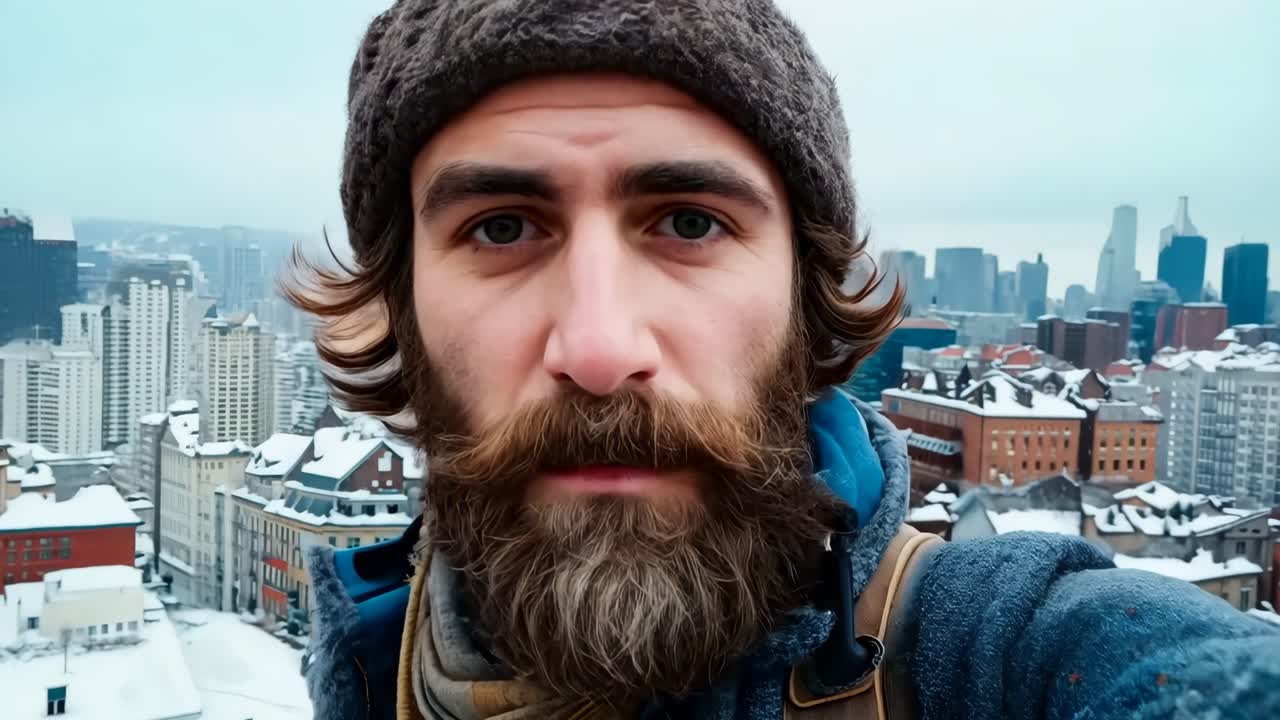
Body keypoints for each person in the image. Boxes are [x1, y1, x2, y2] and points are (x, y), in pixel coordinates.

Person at [291, 1, 1280, 718]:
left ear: (808, 300)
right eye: (502, 227)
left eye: (689, 222)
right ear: (399, 305)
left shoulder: (989, 655)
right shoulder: (380, 658)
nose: (597, 350)